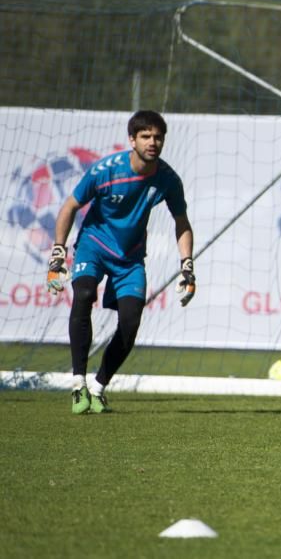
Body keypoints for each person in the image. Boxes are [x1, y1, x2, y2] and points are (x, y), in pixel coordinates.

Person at [46, 110, 196, 414]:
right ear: (132, 140)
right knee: (85, 295)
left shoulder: (167, 179)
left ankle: (99, 387)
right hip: (94, 247)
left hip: (130, 259)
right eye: (145, 136)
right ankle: (78, 385)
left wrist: (187, 266)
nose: (152, 142)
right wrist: (58, 254)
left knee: (130, 322)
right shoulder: (106, 170)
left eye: (157, 137)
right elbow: (70, 206)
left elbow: (182, 222)